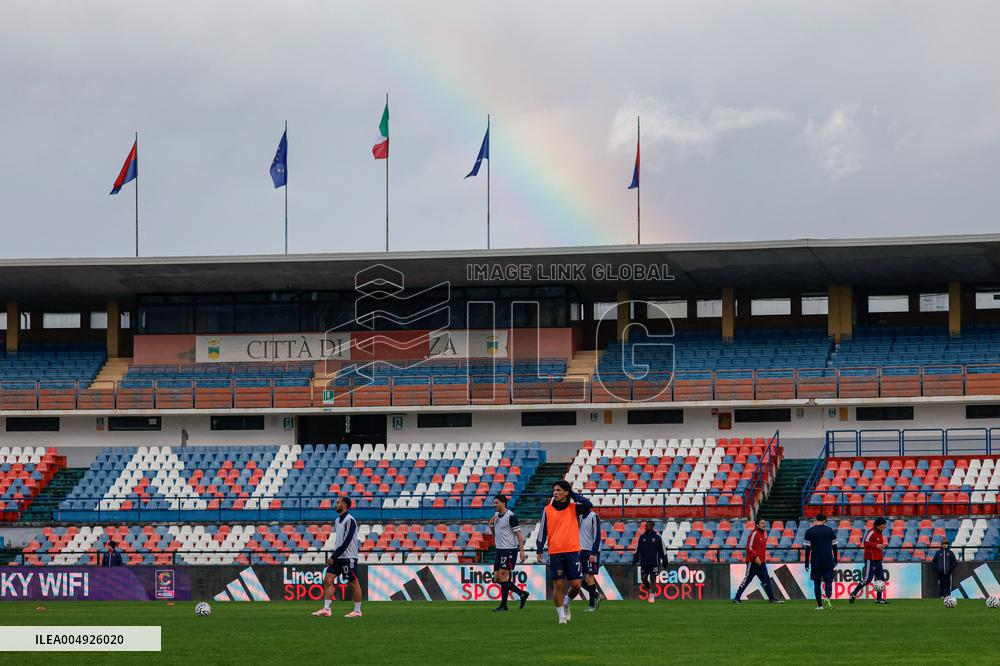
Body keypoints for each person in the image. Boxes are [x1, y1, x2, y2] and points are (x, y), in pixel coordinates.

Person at [536, 480, 592, 624]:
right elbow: (542, 530)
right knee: (559, 585)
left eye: (559, 490)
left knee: (576, 585)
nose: (555, 493)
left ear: (566, 493)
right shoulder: (547, 510)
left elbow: (588, 505)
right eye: (554, 490)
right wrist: (540, 548)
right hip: (555, 552)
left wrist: (573, 494)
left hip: (572, 550)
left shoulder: (574, 507)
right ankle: (561, 616)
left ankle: (567, 603)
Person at [313, 496, 363, 618]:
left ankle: (357, 611)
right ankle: (326, 609)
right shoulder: (337, 520)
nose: (335, 504)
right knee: (327, 580)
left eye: (338, 502)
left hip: (348, 557)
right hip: (338, 557)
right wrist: (336, 556)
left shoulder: (350, 520)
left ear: (344, 505)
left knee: (354, 583)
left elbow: (346, 542)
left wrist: (333, 556)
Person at [488, 494, 529, 611]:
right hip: (499, 549)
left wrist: (522, 551)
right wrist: (491, 526)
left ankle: (504, 605)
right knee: (496, 578)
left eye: (496, 503)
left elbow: (519, 534)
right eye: (494, 503)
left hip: (509, 549)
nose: (494, 505)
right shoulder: (496, 515)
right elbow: (496, 534)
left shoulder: (511, 516)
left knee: (502, 576)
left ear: (503, 503)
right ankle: (522, 593)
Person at [733, 518, 782, 604]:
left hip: (761, 563)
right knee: (747, 580)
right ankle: (737, 597)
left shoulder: (763, 534)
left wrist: (760, 559)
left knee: (766, 580)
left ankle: (771, 599)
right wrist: (756, 557)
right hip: (752, 562)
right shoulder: (754, 534)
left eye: (764, 523)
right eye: (762, 523)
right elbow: (749, 547)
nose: (764, 524)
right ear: (757, 525)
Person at [803, 513, 839, 610]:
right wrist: (835, 559)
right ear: (824, 520)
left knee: (817, 583)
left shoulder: (809, 531)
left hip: (816, 560)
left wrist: (806, 562)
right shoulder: (830, 530)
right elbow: (835, 546)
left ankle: (819, 605)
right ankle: (827, 597)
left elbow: (807, 549)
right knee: (828, 581)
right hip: (828, 559)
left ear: (816, 520)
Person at [849, 517, 888, 604]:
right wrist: (876, 545)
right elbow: (866, 542)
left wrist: (879, 547)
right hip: (871, 559)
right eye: (883, 526)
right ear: (878, 525)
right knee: (867, 579)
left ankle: (878, 599)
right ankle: (854, 593)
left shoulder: (879, 532)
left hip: (878, 559)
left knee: (881, 579)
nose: (884, 527)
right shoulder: (872, 532)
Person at [632, 521, 668, 604]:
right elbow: (637, 550)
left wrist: (665, 561)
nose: (646, 527)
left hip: (654, 563)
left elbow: (663, 551)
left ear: (652, 526)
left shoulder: (658, 537)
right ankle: (649, 588)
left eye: (648, 526)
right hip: (644, 562)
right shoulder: (641, 537)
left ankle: (652, 595)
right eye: (645, 526)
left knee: (653, 579)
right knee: (643, 578)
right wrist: (635, 559)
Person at [578, 505, 603, 611]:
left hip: (591, 551)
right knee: (577, 579)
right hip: (580, 551)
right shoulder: (579, 517)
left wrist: (593, 553)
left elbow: (597, 536)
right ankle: (596, 595)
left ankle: (592, 605)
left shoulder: (593, 516)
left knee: (589, 577)